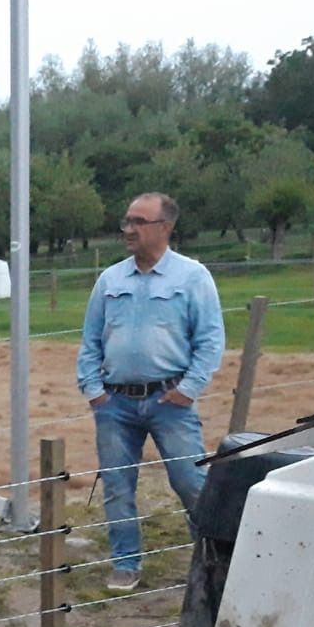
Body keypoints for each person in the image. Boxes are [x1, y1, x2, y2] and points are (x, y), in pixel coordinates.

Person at [76, 192, 225, 593]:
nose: (129, 229)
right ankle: (126, 563)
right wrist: (94, 391)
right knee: (117, 486)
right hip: (114, 402)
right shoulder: (110, 280)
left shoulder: (193, 277)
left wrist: (188, 390)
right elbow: (90, 339)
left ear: (165, 227)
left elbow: (210, 340)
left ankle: (212, 559)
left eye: (139, 221)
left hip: (169, 402)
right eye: (127, 221)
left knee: (191, 482)